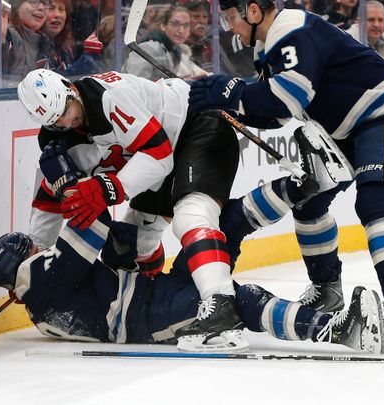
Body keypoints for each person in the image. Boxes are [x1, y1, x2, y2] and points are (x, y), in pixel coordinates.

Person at [188, 0, 384, 353]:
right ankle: (327, 292)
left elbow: (288, 97)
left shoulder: (291, 28)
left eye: (232, 17)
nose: (230, 27)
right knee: (309, 201)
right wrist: (225, 103)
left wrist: (231, 91)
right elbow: (274, 115)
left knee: (376, 201)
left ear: (253, 10)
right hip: (346, 128)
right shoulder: (267, 47)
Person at [16, 68, 245, 351]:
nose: (66, 121)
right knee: (130, 243)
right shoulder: (58, 143)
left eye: (65, 110)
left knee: (191, 214)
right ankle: (154, 301)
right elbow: (49, 196)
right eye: (55, 122)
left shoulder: (110, 98)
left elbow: (159, 155)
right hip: (158, 156)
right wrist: (37, 254)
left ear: (70, 89)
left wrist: (110, 187)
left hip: (196, 127)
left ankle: (221, 304)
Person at [0, 198, 384, 354]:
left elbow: (109, 270)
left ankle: (293, 188)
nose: (39, 246)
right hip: (152, 315)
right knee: (242, 299)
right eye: (31, 246)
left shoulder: (41, 297)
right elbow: (92, 218)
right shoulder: (41, 278)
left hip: (153, 297)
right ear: (21, 260)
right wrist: (86, 177)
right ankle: (336, 330)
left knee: (218, 230)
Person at [123, 4, 207, 80]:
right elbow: (136, 82)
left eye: (186, 25)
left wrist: (184, 81)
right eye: (175, 24)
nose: (181, 30)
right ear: (163, 26)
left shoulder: (176, 51)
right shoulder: (148, 48)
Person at [347, 0, 384, 72]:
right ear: (359, 21)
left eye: (380, 20)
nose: (376, 25)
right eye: (371, 20)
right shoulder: (347, 42)